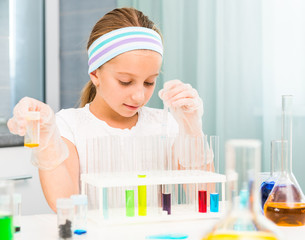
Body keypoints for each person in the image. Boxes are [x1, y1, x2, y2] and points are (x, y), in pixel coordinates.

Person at [7, 7, 205, 212]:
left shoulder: (163, 124)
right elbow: (65, 204)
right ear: (95, 74)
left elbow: (204, 196)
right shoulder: (69, 126)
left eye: (149, 82)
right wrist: (48, 142)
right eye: (125, 81)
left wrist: (192, 129)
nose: (139, 96)